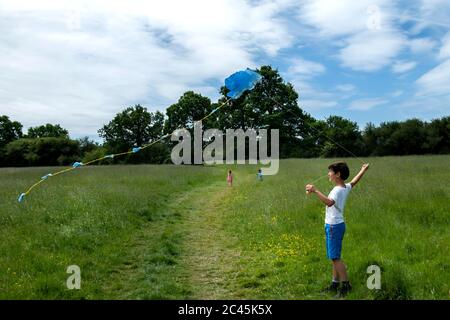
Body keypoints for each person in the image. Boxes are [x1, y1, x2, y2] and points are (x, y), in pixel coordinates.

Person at [305, 162, 370, 298]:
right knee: (334, 257)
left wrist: (315, 190)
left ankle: (346, 285)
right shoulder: (344, 187)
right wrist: (363, 170)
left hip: (334, 226)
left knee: (335, 257)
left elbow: (329, 202)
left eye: (330, 172)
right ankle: (335, 284)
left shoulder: (337, 190)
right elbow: (353, 182)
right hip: (336, 225)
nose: (328, 174)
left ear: (338, 174)